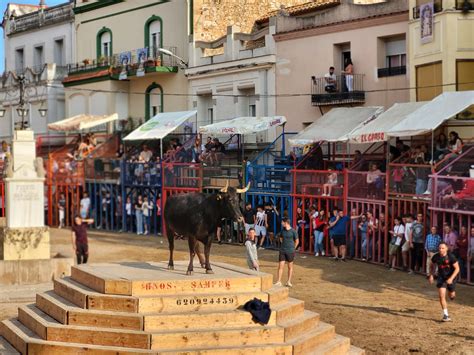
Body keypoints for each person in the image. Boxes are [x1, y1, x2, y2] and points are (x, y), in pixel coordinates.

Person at [428, 242, 460, 322]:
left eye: (442, 248)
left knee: (451, 295)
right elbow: (431, 265)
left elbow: (457, 269)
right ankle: (446, 315)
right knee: (441, 296)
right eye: (439, 248)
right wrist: (431, 275)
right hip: (441, 277)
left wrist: (451, 279)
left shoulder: (451, 257)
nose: (441, 250)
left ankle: (452, 292)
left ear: (446, 249)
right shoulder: (436, 256)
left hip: (451, 277)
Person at [274, 217, 299, 287]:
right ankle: (278, 281)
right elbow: (281, 238)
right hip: (283, 250)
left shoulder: (293, 231)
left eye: (282, 222)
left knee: (290, 267)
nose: (281, 223)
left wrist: (293, 248)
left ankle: (289, 281)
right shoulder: (282, 231)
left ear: (286, 223)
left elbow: (297, 241)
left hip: (290, 251)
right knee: (280, 266)